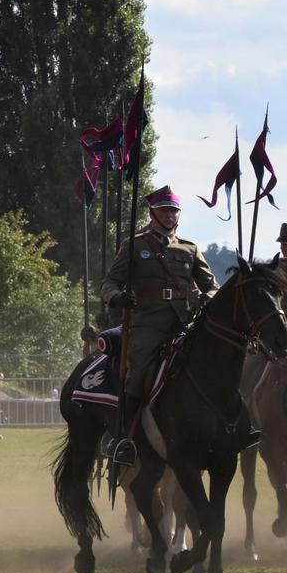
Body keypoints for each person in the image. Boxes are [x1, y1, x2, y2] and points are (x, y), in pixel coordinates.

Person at [99, 185, 217, 466]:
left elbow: (211, 285)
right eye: (164, 210)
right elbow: (109, 282)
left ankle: (231, 428)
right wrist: (117, 297)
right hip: (148, 323)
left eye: (174, 210)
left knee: (218, 364)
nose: (169, 215)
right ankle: (123, 437)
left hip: (185, 322)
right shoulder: (135, 245)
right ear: (152, 213)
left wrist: (209, 299)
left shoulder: (190, 248)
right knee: (138, 370)